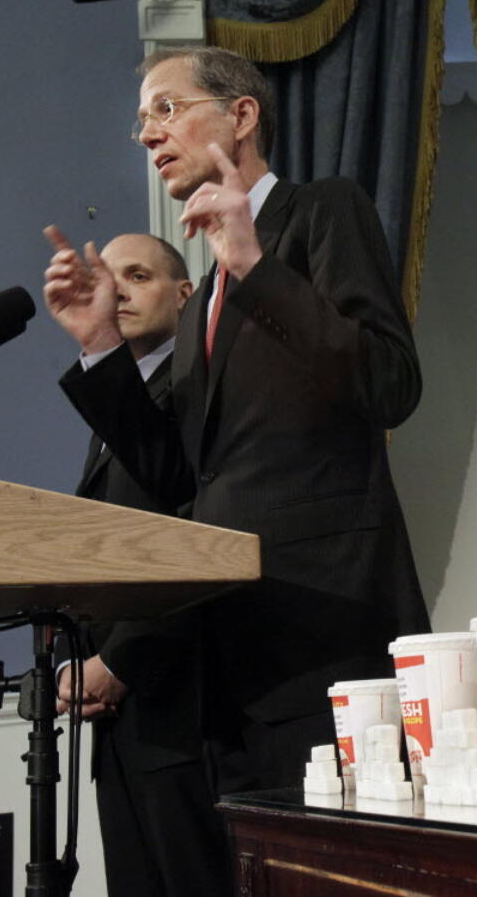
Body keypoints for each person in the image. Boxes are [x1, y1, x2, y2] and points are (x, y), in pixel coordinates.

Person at [43, 46, 430, 800]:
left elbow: (392, 385)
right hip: (226, 656)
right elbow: (179, 476)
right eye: (142, 121)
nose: (150, 135)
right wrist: (100, 346)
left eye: (167, 108)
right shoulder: (202, 307)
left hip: (326, 633)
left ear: (242, 115)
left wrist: (259, 269)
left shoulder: (320, 213)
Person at [52, 234, 228, 897]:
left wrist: (119, 662)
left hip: (184, 712)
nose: (116, 289)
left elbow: (197, 535)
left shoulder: (196, 390)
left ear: (185, 295)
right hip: (123, 727)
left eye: (138, 275)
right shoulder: (114, 406)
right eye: (107, 276)